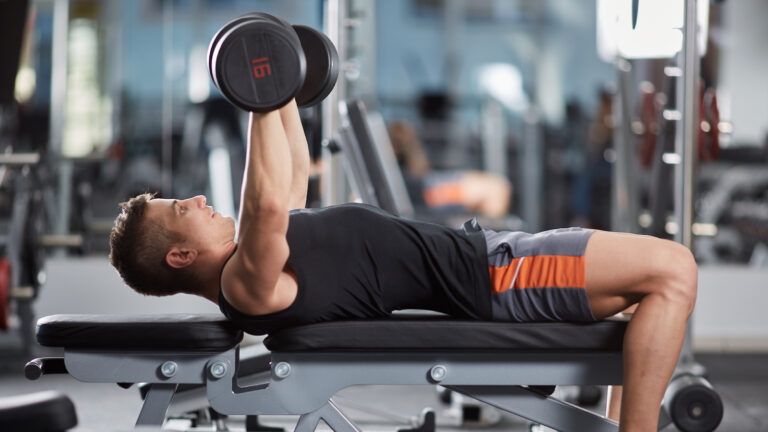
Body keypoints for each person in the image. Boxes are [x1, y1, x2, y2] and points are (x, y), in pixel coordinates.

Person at [109, 100, 697, 432]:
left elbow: (286, 175)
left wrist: (283, 90)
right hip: (497, 274)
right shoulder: (246, 283)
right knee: (673, 270)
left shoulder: (259, 259)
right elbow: (261, 202)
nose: (202, 201)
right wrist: (260, 90)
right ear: (180, 255)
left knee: (648, 293)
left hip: (495, 257)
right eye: (185, 209)